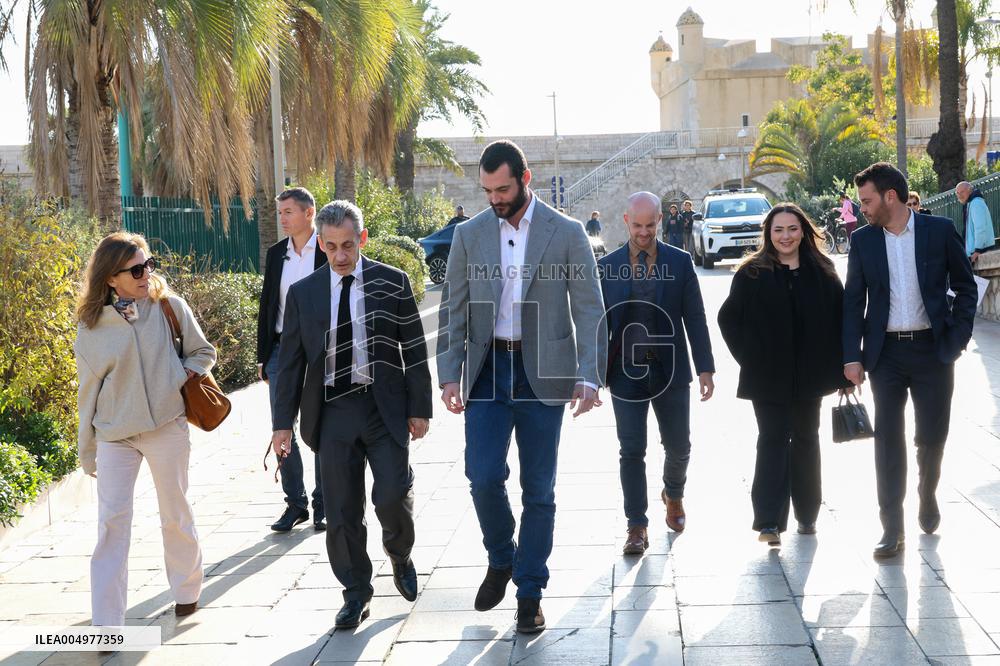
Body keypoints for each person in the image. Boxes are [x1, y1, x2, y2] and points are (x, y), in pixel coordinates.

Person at [436, 139, 607, 634]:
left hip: (545, 375)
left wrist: (589, 375)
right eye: (487, 190)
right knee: (483, 476)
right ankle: (502, 555)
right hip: (487, 371)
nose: (495, 198)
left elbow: (591, 308)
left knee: (540, 491)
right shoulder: (469, 235)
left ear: (525, 179)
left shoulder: (567, 232)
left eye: (503, 188)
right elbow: (453, 308)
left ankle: (530, 592)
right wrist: (450, 372)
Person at [271, 200, 432, 628]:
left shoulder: (392, 282)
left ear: (361, 239)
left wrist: (420, 408)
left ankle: (400, 554)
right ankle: (356, 591)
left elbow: (414, 350)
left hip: (384, 408)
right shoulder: (303, 294)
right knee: (341, 510)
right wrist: (281, 424)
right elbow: (289, 364)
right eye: (331, 247)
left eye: (348, 245)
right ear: (320, 244)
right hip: (333, 411)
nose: (340, 256)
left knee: (392, 495)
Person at [75, 232, 216, 625]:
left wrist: (180, 375)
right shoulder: (91, 328)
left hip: (166, 426)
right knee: (111, 526)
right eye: (135, 269)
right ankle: (106, 624)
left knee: (175, 511)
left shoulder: (169, 306)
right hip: (115, 435)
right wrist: (88, 451)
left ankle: (187, 591)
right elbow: (87, 394)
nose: (145, 273)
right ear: (110, 278)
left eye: (148, 264)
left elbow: (203, 351)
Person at [843, 162, 977, 559]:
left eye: (866, 200)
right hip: (885, 355)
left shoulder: (938, 232)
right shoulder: (864, 241)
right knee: (887, 439)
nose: (861, 208)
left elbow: (966, 287)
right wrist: (852, 357)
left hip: (933, 351)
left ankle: (927, 491)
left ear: (890, 196)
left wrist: (957, 339)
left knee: (931, 437)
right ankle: (891, 528)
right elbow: (853, 302)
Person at [718, 204, 852, 547]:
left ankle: (807, 514)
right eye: (778, 230)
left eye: (792, 229)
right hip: (766, 377)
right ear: (768, 234)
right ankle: (768, 521)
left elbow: (841, 321)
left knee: (807, 438)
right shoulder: (751, 273)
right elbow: (728, 319)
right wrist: (750, 358)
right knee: (772, 438)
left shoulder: (823, 271)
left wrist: (843, 368)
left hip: (811, 376)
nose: (786, 236)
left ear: (804, 231)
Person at [598, 192, 715, 555]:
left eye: (651, 225)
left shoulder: (680, 263)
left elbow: (694, 316)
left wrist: (706, 367)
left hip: (672, 371)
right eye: (637, 226)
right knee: (631, 451)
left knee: (679, 445)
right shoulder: (608, 266)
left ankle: (674, 494)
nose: (644, 232)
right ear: (625, 221)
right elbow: (596, 324)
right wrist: (590, 375)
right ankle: (636, 526)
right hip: (625, 373)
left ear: (661, 220)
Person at [256, 187, 327, 532]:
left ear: (309, 213)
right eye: (280, 212)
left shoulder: (327, 249)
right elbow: (268, 304)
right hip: (281, 351)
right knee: (282, 428)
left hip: (320, 351)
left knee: (324, 426)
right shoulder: (276, 254)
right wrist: (262, 355)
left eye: (288, 212)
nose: (282, 218)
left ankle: (324, 502)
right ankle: (295, 503)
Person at [956, 181, 996, 264]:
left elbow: (980, 228)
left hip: (979, 252)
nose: (959, 195)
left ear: (970, 191)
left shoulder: (976, 203)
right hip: (976, 252)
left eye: (962, 192)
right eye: (957, 193)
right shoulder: (970, 203)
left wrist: (978, 249)